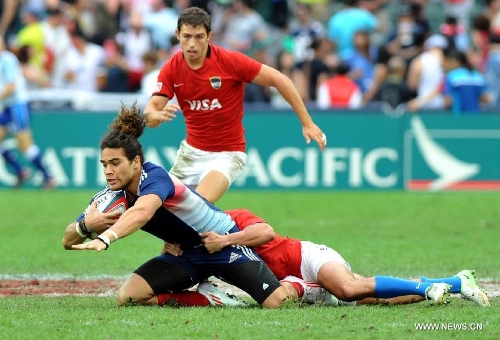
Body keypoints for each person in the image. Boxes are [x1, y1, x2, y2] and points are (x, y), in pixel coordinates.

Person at [63, 102, 293, 309]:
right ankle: (211, 298)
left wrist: (106, 237)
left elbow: (143, 211)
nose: (108, 171)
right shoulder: (112, 195)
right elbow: (67, 241)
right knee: (130, 296)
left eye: (115, 163)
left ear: (136, 162)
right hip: (185, 253)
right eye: (104, 164)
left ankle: (308, 287)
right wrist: (85, 226)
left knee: (277, 302)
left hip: (220, 243)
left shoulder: (155, 177)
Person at [143, 7, 327, 204]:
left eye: (199, 37)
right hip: (190, 153)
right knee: (170, 219)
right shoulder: (172, 68)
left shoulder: (230, 61)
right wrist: (153, 117)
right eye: (187, 36)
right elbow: (151, 110)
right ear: (178, 35)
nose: (192, 44)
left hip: (227, 154)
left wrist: (307, 123)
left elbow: (280, 79)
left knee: (196, 207)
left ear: (209, 36)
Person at [193, 208, 491, 307]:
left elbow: (267, 232)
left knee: (348, 289)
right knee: (373, 297)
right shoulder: (201, 244)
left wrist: (226, 240)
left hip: (307, 257)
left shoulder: (231, 218)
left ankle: (428, 289)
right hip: (292, 281)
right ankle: (455, 281)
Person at [0, 37, 55, 188]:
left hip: (17, 105)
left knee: (26, 145)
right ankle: (20, 171)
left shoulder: (7, 60)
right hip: (7, 106)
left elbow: (11, 87)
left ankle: (48, 177)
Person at [442, 48, 489, 114]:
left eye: (449, 61)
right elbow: (486, 99)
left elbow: (448, 101)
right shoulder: (478, 76)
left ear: (456, 61)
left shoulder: (451, 76)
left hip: (457, 117)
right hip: (475, 117)